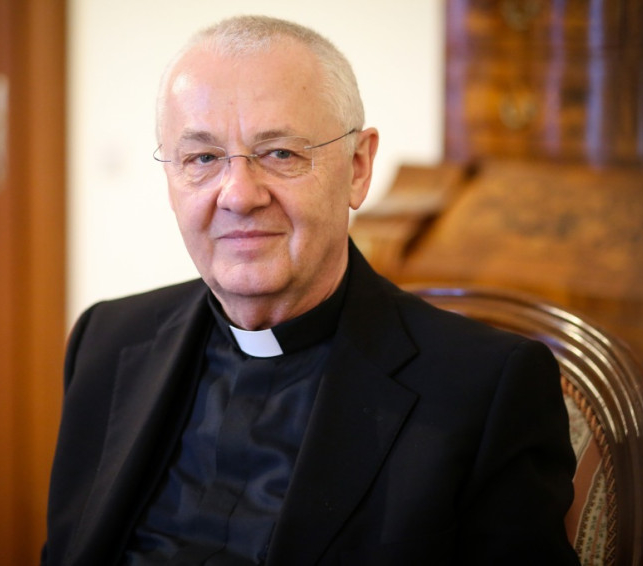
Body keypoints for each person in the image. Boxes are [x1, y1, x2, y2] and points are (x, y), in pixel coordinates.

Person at [43, 15, 579, 566]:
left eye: (280, 153)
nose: (239, 196)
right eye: (203, 158)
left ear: (357, 168)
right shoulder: (106, 340)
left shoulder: (484, 389)